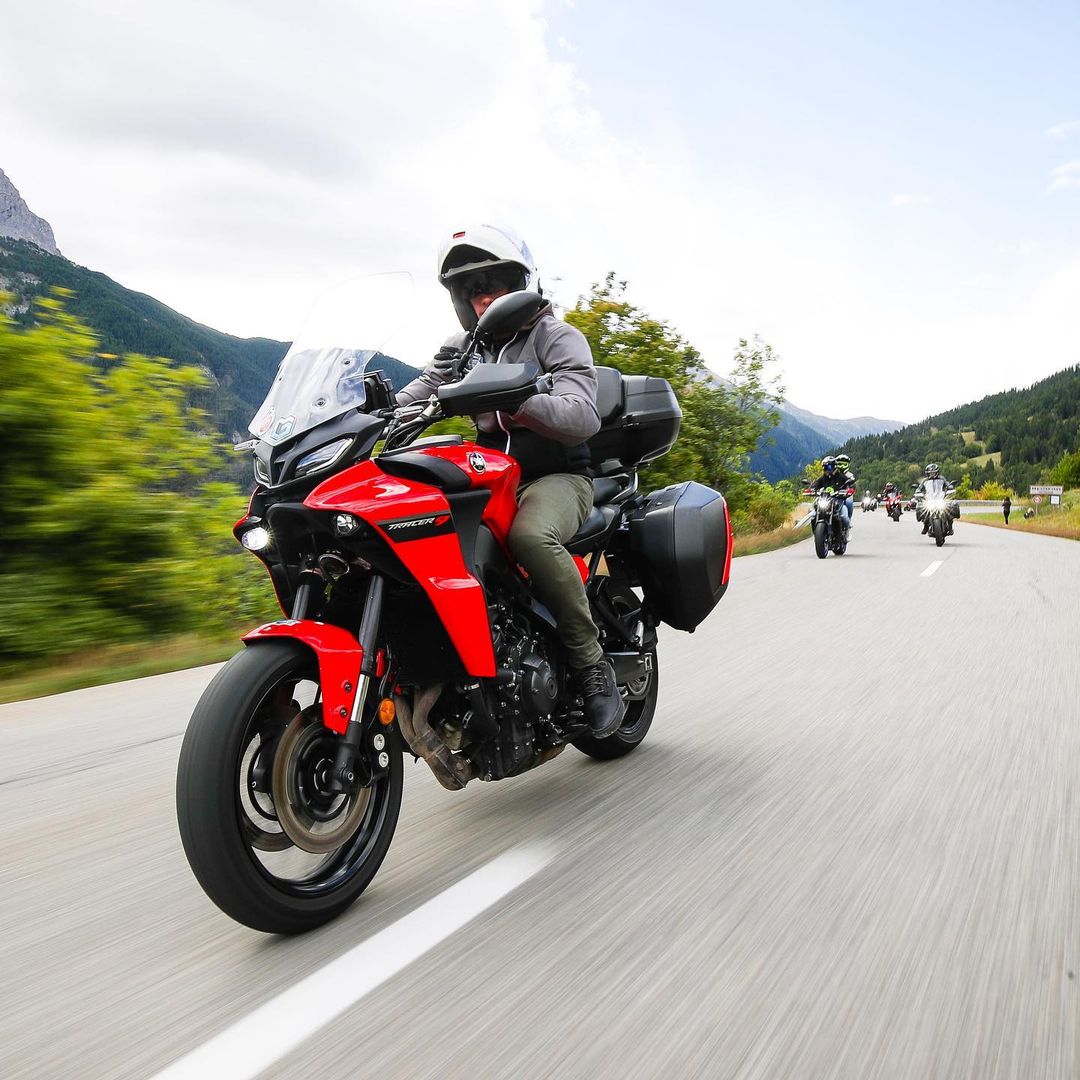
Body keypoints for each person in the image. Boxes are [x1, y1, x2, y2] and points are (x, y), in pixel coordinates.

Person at [395, 224, 625, 738]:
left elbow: (582, 414)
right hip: (486, 478)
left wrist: (517, 398)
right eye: (471, 289)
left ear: (520, 283)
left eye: (494, 283)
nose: (483, 297)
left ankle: (592, 665)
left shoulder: (555, 336)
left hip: (557, 476)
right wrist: (369, 410)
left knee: (530, 536)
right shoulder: (464, 348)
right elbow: (421, 390)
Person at [812, 455, 855, 533]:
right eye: (825, 467)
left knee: (844, 517)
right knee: (813, 515)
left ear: (834, 467)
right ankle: (818, 533)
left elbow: (849, 484)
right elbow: (817, 483)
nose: (826, 469)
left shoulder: (841, 476)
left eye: (828, 467)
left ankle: (845, 531)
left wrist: (849, 489)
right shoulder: (823, 478)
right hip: (826, 499)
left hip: (838, 500)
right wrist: (812, 489)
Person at [914, 463, 955, 534]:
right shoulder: (925, 481)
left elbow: (947, 484)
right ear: (927, 473)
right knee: (924, 511)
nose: (932, 474)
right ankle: (926, 526)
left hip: (940, 498)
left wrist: (950, 487)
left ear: (937, 472)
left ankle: (950, 527)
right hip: (930, 499)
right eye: (930, 473)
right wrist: (918, 492)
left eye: (934, 472)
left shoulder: (942, 479)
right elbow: (919, 488)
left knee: (948, 511)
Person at [835, 454, 855, 525]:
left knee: (849, 502)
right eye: (840, 464)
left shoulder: (850, 475)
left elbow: (853, 485)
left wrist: (850, 490)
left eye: (844, 464)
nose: (842, 466)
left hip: (846, 493)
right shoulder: (833, 474)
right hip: (834, 493)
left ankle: (848, 520)